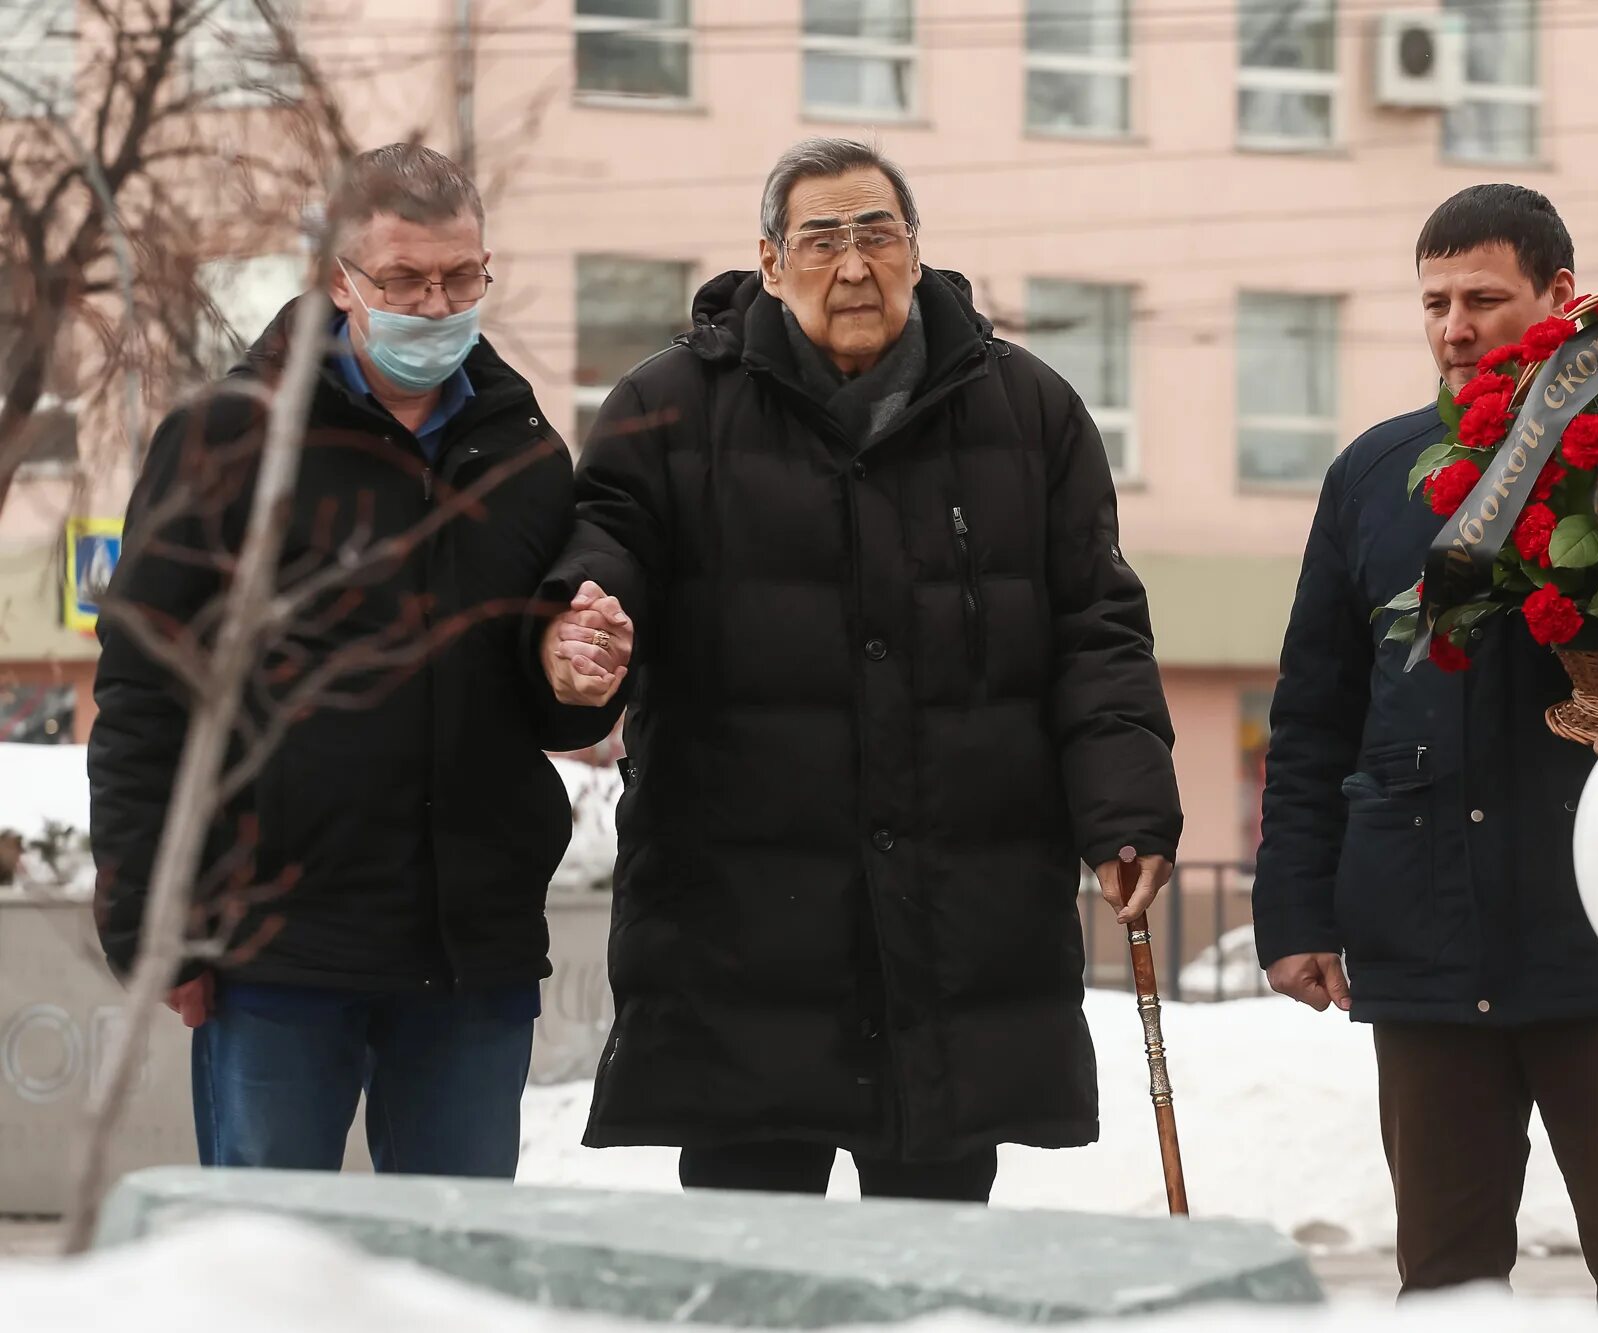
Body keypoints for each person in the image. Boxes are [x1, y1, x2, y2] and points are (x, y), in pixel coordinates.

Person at [533, 137, 1182, 1204]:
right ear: (769, 260)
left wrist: (1125, 810)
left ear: (916, 252)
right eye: (821, 240)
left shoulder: (1028, 414)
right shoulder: (666, 410)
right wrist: (582, 631)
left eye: (877, 235)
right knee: (754, 1279)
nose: (852, 266)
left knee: (929, 1275)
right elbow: (604, 552)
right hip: (742, 931)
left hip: (953, 929)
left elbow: (1096, 630)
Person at [89, 144, 618, 1178]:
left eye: (462, 276)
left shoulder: (523, 454)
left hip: (470, 956)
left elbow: (545, 704)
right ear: (338, 278)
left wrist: (579, 670)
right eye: (406, 279)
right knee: (266, 1262)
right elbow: (145, 696)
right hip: (276, 951)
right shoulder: (226, 441)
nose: (438, 303)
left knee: (450, 1272)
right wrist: (156, 923)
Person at [1251, 184, 1598, 1327]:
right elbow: (1314, 711)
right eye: (1434, 302)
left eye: (1482, 299)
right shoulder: (1373, 475)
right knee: (1444, 1292)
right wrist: (1294, 909)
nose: (1454, 326)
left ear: (1560, 299)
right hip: (1419, 942)